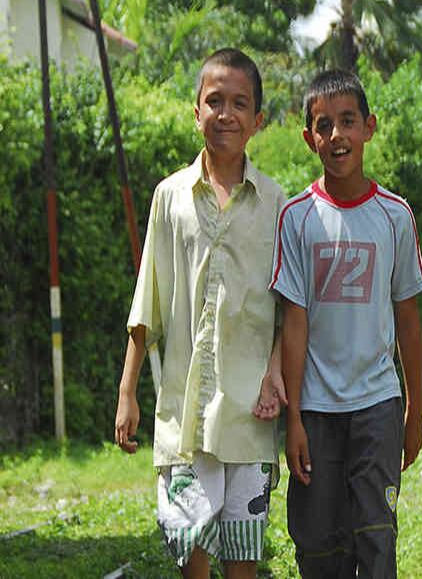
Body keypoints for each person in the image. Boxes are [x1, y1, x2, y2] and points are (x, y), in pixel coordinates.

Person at [113, 48, 288, 578]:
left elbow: (288, 308)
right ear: (196, 112)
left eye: (240, 103)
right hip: (184, 414)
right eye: (214, 101)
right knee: (192, 555)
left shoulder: (278, 203)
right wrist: (127, 393)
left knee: (243, 553)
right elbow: (149, 301)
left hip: (251, 414)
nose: (225, 113)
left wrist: (275, 373)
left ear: (258, 120)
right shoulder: (170, 197)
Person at [270, 69, 422, 578]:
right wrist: (293, 419)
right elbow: (294, 323)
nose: (337, 135)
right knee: (317, 544)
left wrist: (414, 410)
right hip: (315, 412)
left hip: (378, 406)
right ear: (308, 137)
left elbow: (407, 318)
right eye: (324, 125)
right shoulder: (296, 217)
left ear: (369, 127)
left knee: (376, 536)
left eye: (348, 121)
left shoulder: (395, 215)